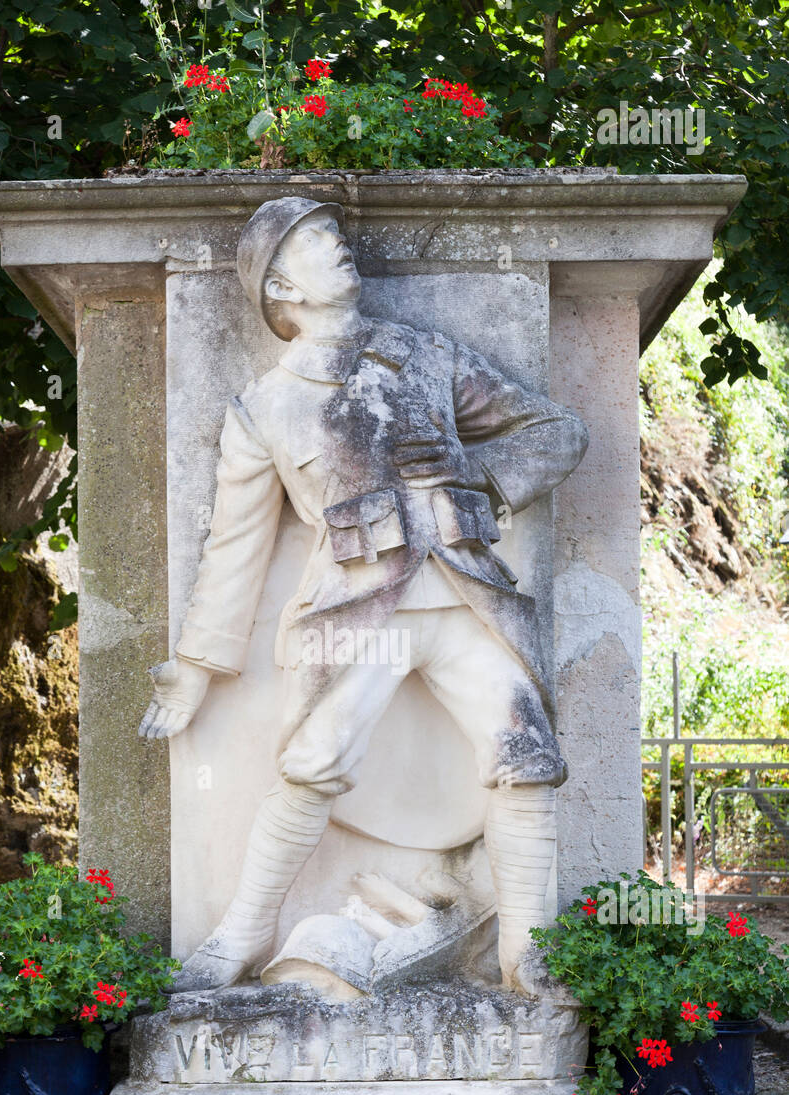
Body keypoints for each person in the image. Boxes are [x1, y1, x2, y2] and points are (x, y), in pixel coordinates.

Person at [139, 196, 588, 996]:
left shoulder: (424, 355)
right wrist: (197, 668)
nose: (338, 246)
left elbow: (559, 432)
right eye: (315, 240)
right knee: (313, 765)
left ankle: (530, 950)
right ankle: (241, 933)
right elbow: (234, 550)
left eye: (336, 234)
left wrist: (477, 471)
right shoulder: (263, 407)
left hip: (462, 597)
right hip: (357, 614)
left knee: (526, 756)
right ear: (280, 289)